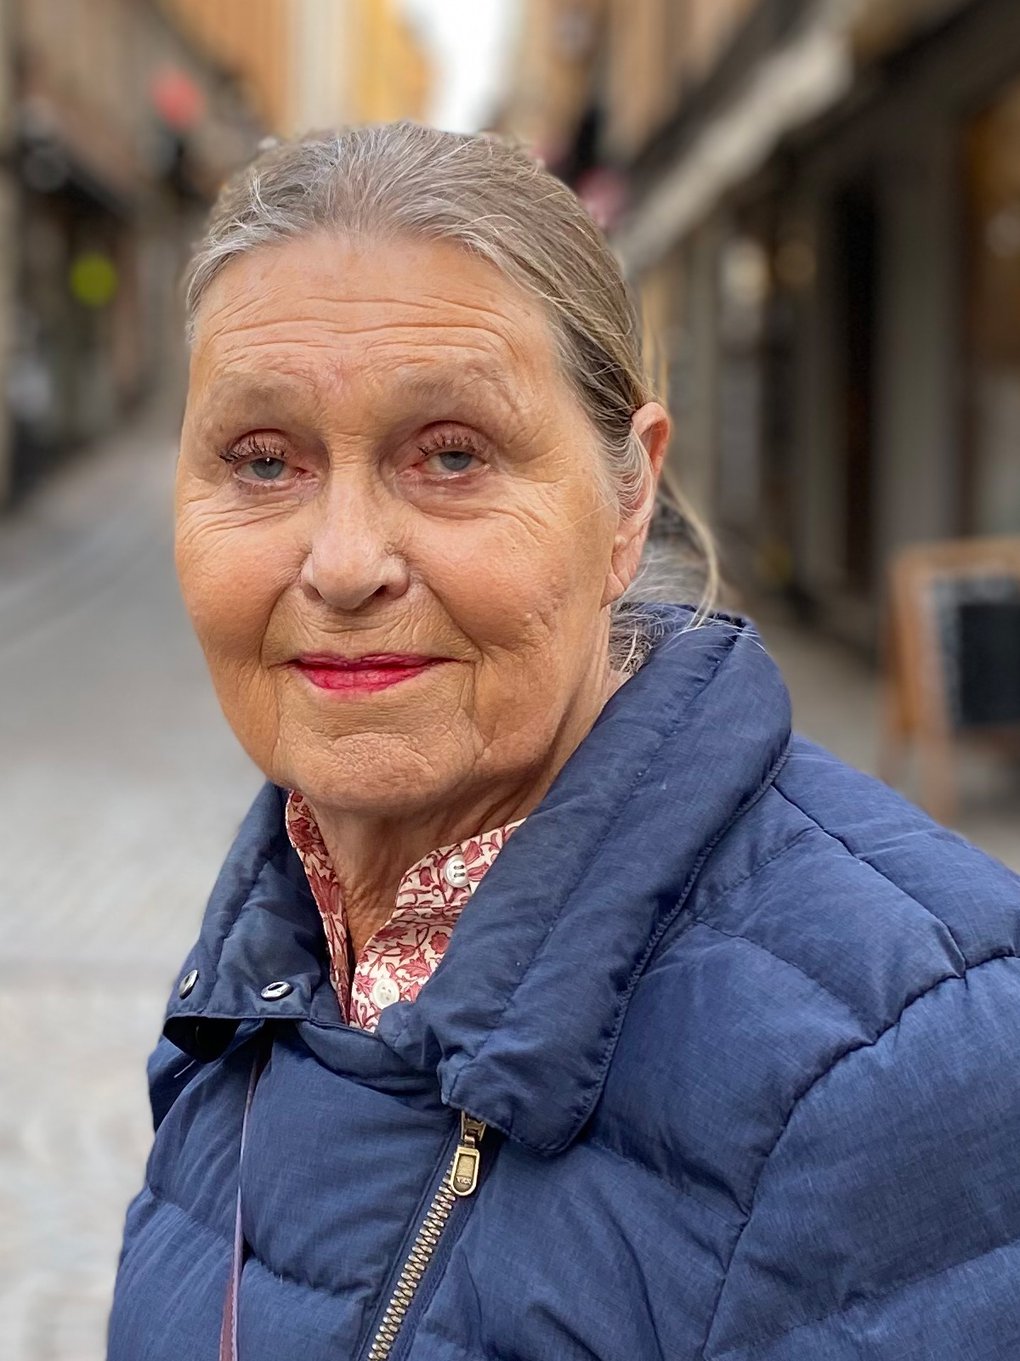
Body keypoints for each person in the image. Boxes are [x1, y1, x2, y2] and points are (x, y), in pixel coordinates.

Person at [108, 124, 1020, 1361]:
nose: (343, 563)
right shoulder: (266, 953)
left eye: (452, 455)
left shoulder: (913, 1056)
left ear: (628, 499)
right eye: (263, 461)